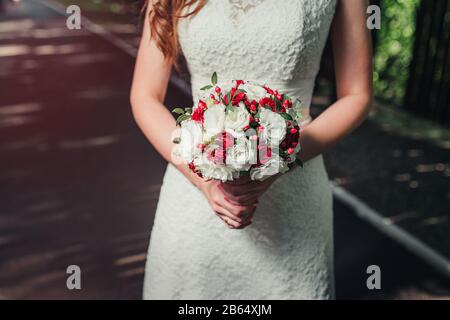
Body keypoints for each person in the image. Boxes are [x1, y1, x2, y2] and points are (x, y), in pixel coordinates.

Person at [130, 0, 373, 299]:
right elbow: (145, 95)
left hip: (294, 195)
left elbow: (357, 94)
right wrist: (204, 180)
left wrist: (281, 159)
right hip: (193, 192)